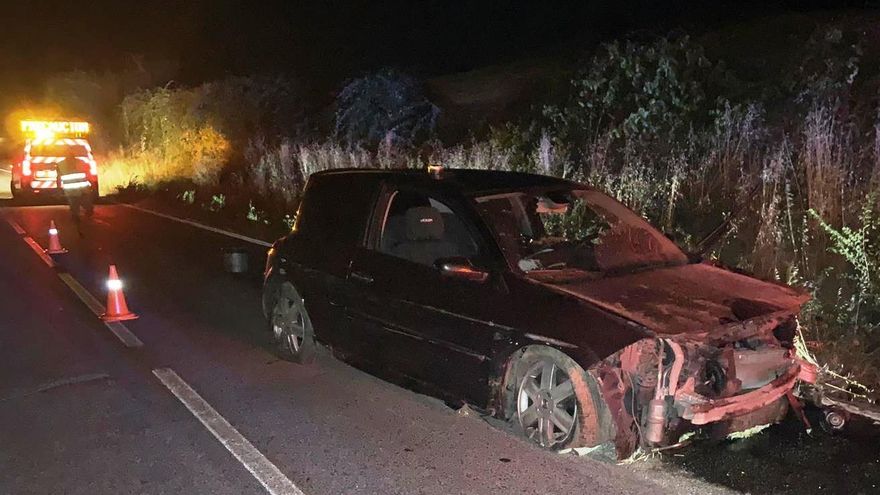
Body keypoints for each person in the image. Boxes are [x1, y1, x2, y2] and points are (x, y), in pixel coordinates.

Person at [57, 155, 94, 221]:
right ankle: (78, 217)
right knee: (82, 204)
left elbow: (58, 178)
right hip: (82, 190)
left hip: (73, 191)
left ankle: (77, 217)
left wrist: (59, 190)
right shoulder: (81, 162)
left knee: (77, 205)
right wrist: (92, 184)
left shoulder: (60, 165)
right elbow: (87, 174)